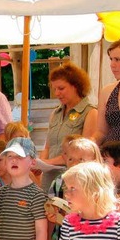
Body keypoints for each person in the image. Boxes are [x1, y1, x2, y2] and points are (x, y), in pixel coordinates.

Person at [41, 62, 98, 190]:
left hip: (72, 179)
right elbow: (47, 147)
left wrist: (48, 162)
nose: (57, 93)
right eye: (54, 89)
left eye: (61, 88)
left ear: (76, 86)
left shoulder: (90, 112)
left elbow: (84, 152)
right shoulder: (55, 113)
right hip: (49, 178)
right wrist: (41, 164)